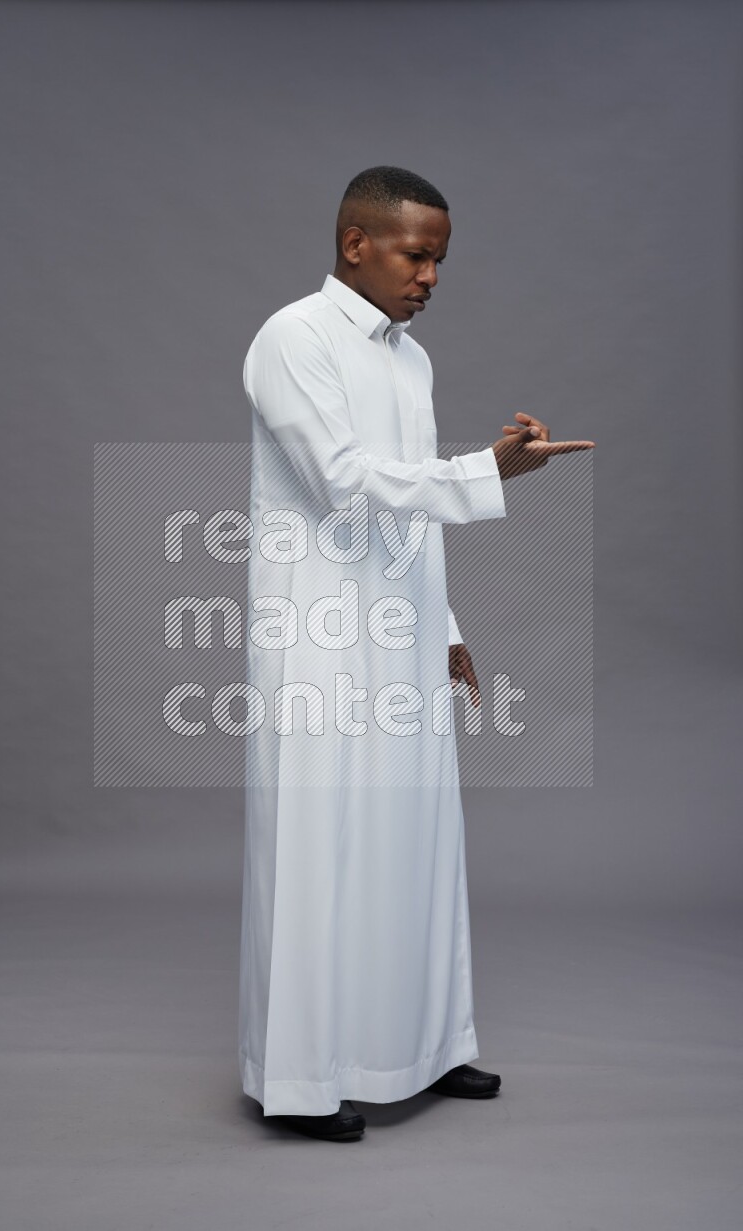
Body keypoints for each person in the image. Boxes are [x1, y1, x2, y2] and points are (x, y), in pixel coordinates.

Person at [238, 165, 595, 1142]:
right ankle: (303, 1081)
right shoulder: (291, 339)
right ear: (355, 242)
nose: (430, 275)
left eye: (439, 258)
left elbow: (412, 516)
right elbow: (344, 485)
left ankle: (426, 1047)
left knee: (419, 845)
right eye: (414, 253)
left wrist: (442, 629)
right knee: (322, 853)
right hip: (316, 636)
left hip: (398, 633)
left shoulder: (411, 362)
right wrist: (489, 469)